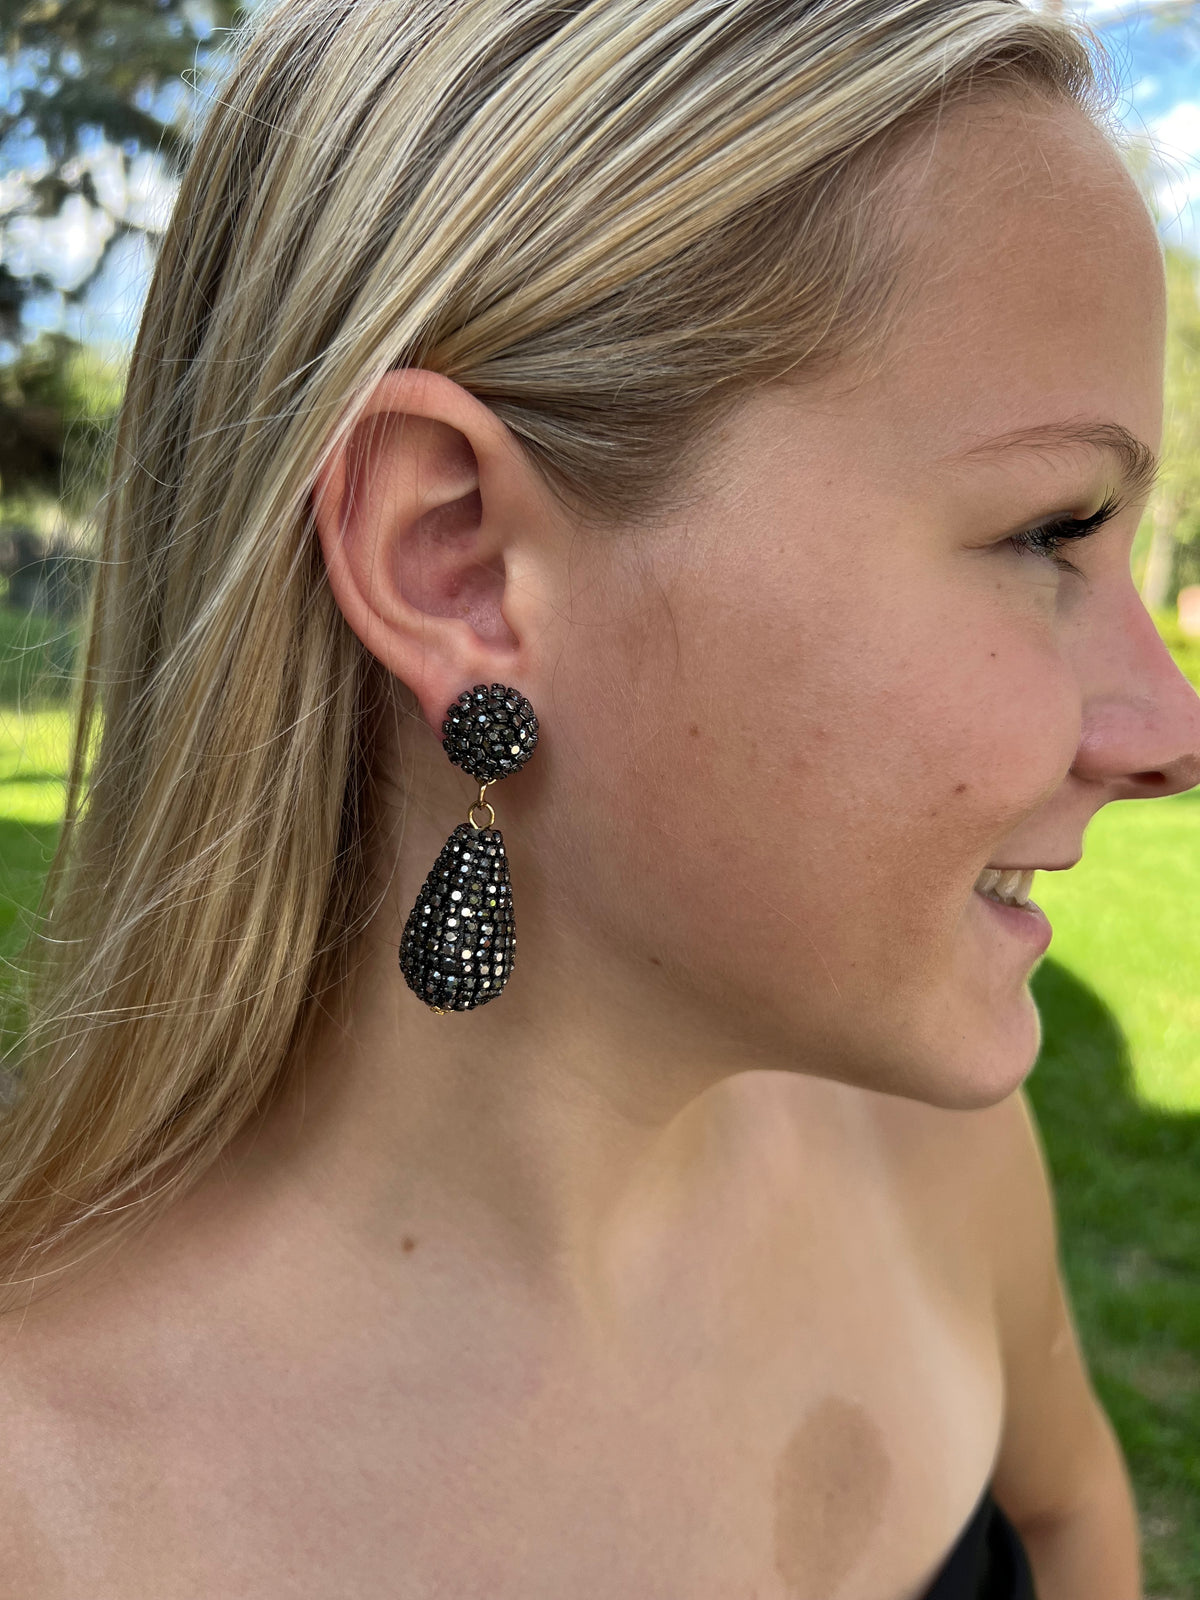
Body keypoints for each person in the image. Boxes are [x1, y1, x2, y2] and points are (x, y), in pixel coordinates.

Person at [2, 0, 1198, 1594]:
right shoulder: (48, 1501)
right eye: (1050, 528)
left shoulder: (934, 1160)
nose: (1170, 729)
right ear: (460, 562)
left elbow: (1071, 1517)